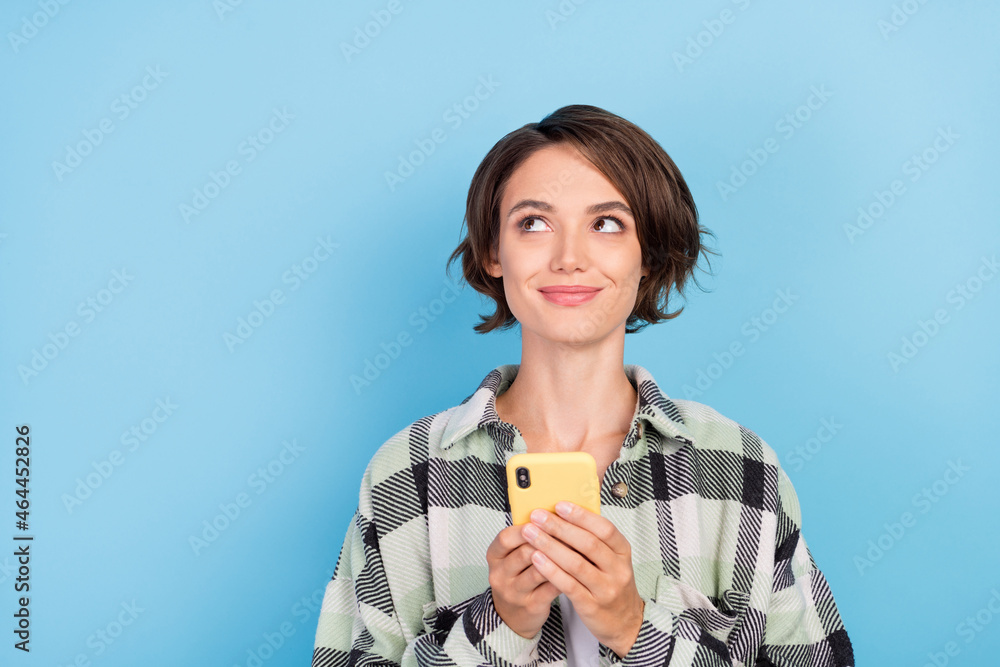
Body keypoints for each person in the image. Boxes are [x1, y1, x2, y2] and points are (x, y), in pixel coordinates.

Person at [311, 104, 854, 666]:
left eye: (607, 223)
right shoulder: (407, 473)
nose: (569, 258)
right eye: (534, 223)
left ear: (648, 254)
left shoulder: (739, 466)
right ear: (494, 253)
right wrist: (499, 625)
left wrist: (636, 627)